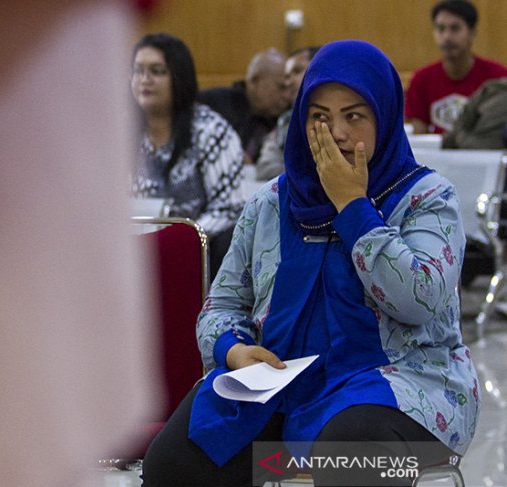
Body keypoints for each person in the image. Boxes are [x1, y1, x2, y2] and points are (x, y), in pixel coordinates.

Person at [143, 40, 479, 487]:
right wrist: (234, 350)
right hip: (282, 388)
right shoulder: (271, 203)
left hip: (401, 389)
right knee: (176, 461)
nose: (335, 133)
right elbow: (221, 306)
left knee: (348, 460)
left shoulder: (427, 198)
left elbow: (418, 301)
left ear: (384, 117)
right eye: (319, 116)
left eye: (354, 116)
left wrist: (353, 206)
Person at [130, 33, 246, 278]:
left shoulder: (211, 130)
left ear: (179, 77)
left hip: (194, 251)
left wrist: (174, 241)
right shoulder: (119, 132)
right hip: (133, 251)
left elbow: (229, 210)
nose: (144, 80)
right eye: (138, 70)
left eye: (157, 71)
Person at [405, 0, 507, 134]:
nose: (447, 37)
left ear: (472, 32)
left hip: (484, 153)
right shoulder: (421, 79)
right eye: (441, 29)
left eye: (455, 28)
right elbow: (419, 136)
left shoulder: (497, 77)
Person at [198, 49, 289, 165]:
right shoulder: (212, 102)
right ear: (254, 80)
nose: (286, 96)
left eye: (288, 89)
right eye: (281, 88)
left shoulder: (284, 118)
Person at [255, 46, 320, 181]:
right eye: (286, 76)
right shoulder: (286, 120)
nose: (288, 82)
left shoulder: (339, 115)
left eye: (296, 71)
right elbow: (264, 168)